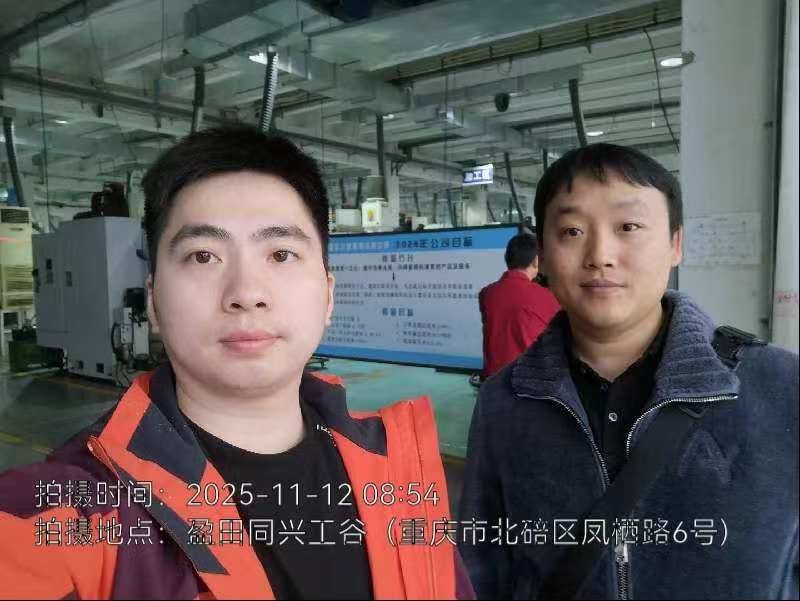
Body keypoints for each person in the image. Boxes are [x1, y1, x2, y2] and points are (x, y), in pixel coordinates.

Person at [0, 126, 473, 600]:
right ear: (154, 301)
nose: (246, 293)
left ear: (328, 296)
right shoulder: (75, 509)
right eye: (203, 256)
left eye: (281, 254)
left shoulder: (396, 467)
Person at [459, 143, 798, 599]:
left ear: (675, 244)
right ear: (544, 254)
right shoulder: (503, 402)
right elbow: (482, 565)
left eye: (629, 226)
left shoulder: (782, 385)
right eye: (572, 231)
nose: (600, 254)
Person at [479, 233, 560, 380]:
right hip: (529, 379)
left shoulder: (486, 294)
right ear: (536, 260)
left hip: (494, 379)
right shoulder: (546, 296)